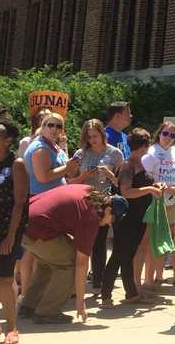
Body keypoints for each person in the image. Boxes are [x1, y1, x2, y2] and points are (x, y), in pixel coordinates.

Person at [21, 185, 128, 324]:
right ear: (108, 209)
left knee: (48, 261)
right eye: (112, 220)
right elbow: (81, 263)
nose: (109, 224)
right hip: (36, 228)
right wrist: (80, 301)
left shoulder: (89, 191)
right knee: (70, 263)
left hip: (23, 220)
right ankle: (47, 312)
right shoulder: (91, 217)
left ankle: (28, 306)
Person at [101, 128, 164, 307]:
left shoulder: (140, 163)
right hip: (127, 217)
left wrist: (156, 185)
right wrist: (151, 189)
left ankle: (131, 293)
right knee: (118, 255)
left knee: (128, 255)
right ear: (144, 146)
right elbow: (126, 192)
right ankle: (106, 295)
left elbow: (142, 184)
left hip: (139, 217)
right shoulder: (128, 166)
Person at [69, 119, 123, 289]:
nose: (92, 140)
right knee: (82, 242)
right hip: (84, 200)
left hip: (104, 200)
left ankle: (98, 280)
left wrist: (110, 175)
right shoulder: (80, 154)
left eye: (95, 136)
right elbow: (70, 182)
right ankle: (78, 280)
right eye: (89, 137)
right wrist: (83, 176)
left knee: (100, 242)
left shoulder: (115, 154)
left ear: (103, 134)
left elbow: (122, 183)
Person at [0, 118, 28, 344]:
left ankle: (12, 328)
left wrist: (11, 235)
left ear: (8, 140)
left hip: (7, 230)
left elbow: (19, 203)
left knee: (5, 279)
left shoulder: (16, 164)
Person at [141, 120, 175, 287]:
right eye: (165, 133)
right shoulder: (151, 152)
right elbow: (145, 179)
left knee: (165, 241)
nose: (168, 137)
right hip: (155, 202)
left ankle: (159, 277)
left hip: (173, 202)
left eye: (172, 135)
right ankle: (148, 280)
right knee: (153, 241)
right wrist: (164, 188)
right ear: (159, 133)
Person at [25, 111, 79, 196]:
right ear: (43, 127)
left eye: (59, 126)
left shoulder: (55, 146)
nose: (54, 128)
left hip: (55, 197)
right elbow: (43, 177)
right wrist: (67, 167)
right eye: (50, 125)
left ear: (62, 130)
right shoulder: (41, 148)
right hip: (41, 198)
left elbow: (68, 173)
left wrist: (72, 165)